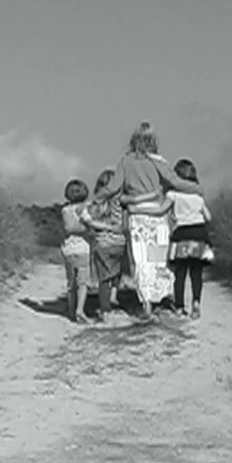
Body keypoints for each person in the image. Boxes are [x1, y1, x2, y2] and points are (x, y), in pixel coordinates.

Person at [94, 121, 203, 320]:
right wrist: (196, 190)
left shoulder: (125, 161)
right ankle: (160, 299)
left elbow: (113, 187)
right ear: (154, 140)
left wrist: (95, 200)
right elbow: (176, 182)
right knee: (158, 262)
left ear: (134, 139)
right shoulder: (158, 161)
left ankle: (146, 306)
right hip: (158, 216)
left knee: (141, 262)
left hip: (137, 218)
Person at [165, 159, 213, 319]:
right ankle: (196, 303)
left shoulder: (173, 194)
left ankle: (179, 307)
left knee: (180, 274)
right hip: (199, 233)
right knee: (196, 273)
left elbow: (165, 211)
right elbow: (208, 217)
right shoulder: (197, 195)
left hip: (182, 235)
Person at [80, 168, 127, 317]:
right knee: (116, 272)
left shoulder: (94, 204)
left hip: (102, 244)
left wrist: (101, 226)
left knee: (103, 279)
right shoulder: (122, 202)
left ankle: (105, 310)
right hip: (119, 243)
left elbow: (85, 219)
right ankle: (114, 295)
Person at [60, 178, 93, 323]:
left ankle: (71, 310)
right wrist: (88, 230)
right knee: (83, 283)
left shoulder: (65, 210)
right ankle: (80, 309)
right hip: (83, 249)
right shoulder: (86, 208)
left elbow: (67, 228)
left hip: (68, 249)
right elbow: (80, 228)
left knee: (71, 283)